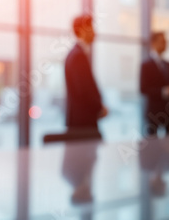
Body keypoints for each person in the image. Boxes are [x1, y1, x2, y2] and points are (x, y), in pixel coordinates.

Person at [63, 14, 107, 203]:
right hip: (83, 122)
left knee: (85, 163)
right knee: (84, 162)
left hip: (81, 120)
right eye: (91, 27)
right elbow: (83, 91)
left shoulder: (78, 54)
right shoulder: (78, 56)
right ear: (81, 30)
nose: (94, 32)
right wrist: (99, 107)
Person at [140, 31, 169, 137]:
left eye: (166, 41)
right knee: (152, 147)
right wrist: (164, 91)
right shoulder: (146, 65)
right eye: (162, 41)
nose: (165, 44)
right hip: (153, 113)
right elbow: (143, 89)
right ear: (153, 43)